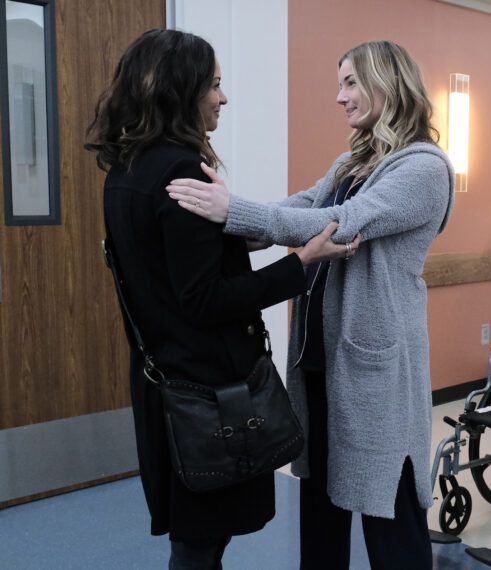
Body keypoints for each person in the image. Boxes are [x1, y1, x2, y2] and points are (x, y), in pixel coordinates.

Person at [166, 40, 454, 569]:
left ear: (386, 84)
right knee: (321, 513)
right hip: (321, 366)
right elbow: (297, 207)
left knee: (389, 520)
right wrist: (226, 226)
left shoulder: (425, 169)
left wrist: (233, 212)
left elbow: (339, 225)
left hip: (378, 376)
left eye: (349, 83)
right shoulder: (352, 161)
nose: (339, 96)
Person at [85, 29, 352, 569]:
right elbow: (205, 300)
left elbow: (171, 263)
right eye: (215, 85)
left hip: (166, 379)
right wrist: (299, 263)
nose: (223, 98)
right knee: (200, 544)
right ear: (181, 91)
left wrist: (239, 232)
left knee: (197, 539)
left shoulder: (127, 170)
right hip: (207, 392)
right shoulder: (180, 170)